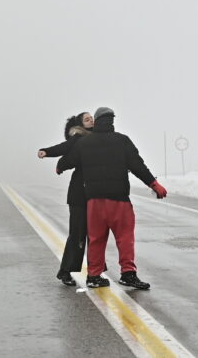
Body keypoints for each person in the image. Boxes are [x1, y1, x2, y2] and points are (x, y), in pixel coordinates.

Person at [57, 107, 167, 290]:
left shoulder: (85, 143)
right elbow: (138, 166)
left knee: (96, 239)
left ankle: (94, 276)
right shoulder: (122, 141)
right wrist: (154, 184)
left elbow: (65, 162)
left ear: (97, 121)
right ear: (112, 121)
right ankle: (128, 274)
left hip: (94, 202)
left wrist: (60, 167)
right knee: (125, 238)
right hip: (119, 200)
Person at [37, 111, 94, 286]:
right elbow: (62, 148)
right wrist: (46, 151)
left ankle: (95, 273)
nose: (91, 120)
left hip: (94, 194)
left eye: (91, 117)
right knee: (77, 235)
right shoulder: (77, 138)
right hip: (78, 195)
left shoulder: (99, 137)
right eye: (87, 119)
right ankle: (65, 271)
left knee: (95, 236)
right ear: (80, 125)